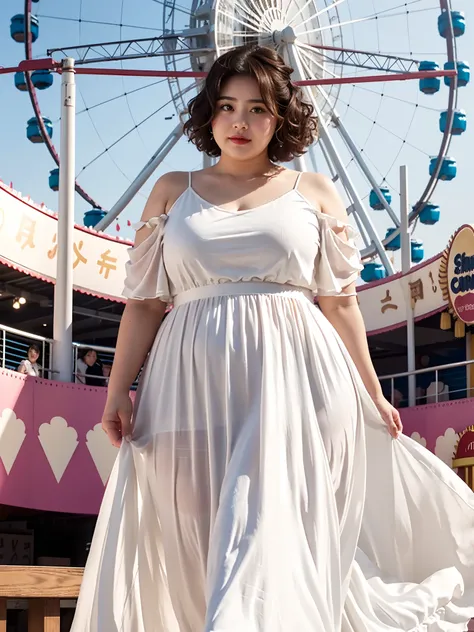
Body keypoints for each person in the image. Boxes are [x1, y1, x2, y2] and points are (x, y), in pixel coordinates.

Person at [71, 45, 474, 631]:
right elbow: (145, 304)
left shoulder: (314, 192)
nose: (240, 121)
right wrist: (115, 393)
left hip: (298, 380)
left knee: (263, 535)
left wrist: (375, 391)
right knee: (195, 546)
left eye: (257, 108)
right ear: (208, 114)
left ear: (280, 117)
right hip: (187, 385)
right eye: (227, 106)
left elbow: (339, 305)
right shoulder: (170, 190)